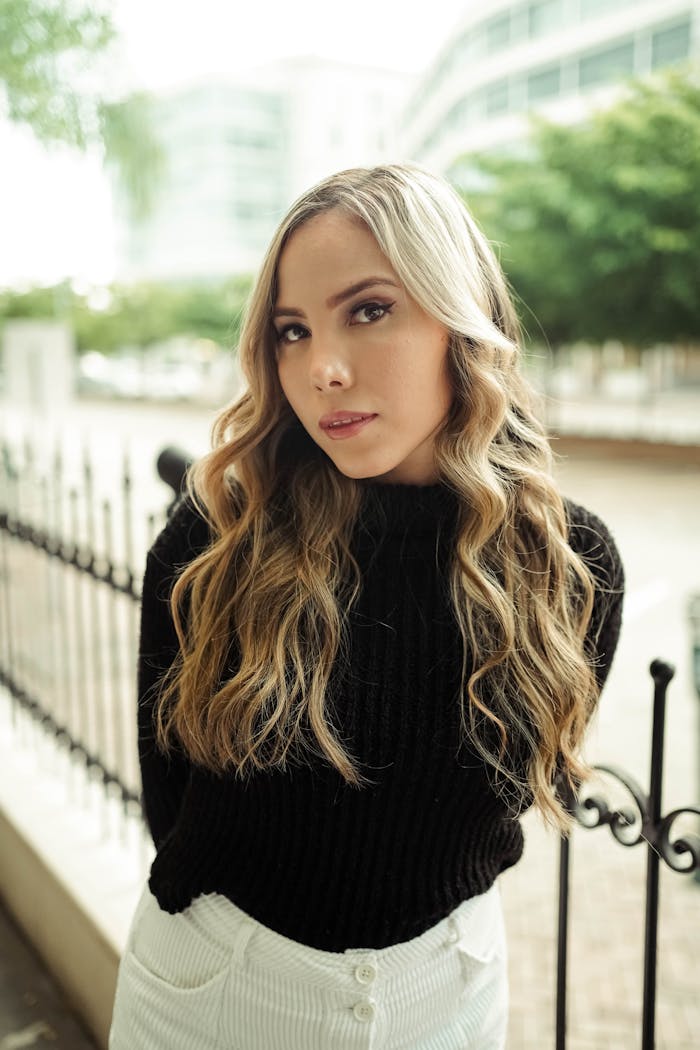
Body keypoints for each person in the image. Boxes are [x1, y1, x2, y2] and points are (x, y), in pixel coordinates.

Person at [109, 163, 624, 1050]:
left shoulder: (567, 563)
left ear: (460, 319)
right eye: (292, 331)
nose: (323, 370)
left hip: (452, 991)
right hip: (216, 992)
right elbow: (169, 790)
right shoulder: (215, 541)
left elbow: (503, 806)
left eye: (370, 310)